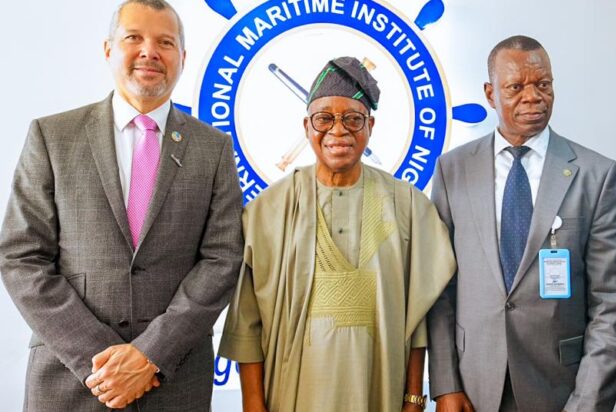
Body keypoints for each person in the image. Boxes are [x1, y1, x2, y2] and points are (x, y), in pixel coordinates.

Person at [0, 0, 243, 410]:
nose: (150, 51)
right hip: (70, 381)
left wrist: (150, 356)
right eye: (134, 37)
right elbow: (21, 256)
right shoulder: (52, 136)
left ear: (182, 58)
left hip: (174, 381)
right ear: (109, 49)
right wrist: (104, 362)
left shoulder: (213, 149)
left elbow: (223, 258)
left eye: (165, 42)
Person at [218, 56, 456, 412]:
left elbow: (417, 317)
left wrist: (412, 398)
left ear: (370, 126)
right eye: (324, 118)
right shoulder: (269, 210)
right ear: (307, 126)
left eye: (353, 119)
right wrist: (254, 404)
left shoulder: (408, 206)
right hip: (291, 396)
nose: (338, 130)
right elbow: (246, 323)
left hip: (381, 392)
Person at [427, 35, 616, 412]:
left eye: (543, 84)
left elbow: (611, 302)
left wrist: (587, 403)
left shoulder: (596, 175)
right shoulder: (452, 169)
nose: (533, 96)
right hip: (473, 386)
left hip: (561, 389)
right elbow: (440, 288)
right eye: (515, 87)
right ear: (490, 94)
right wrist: (444, 386)